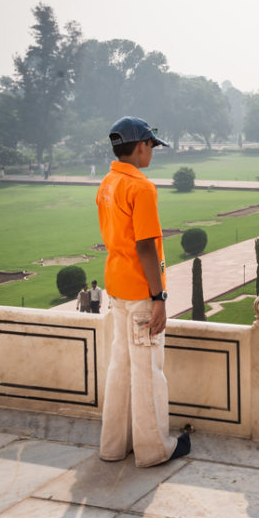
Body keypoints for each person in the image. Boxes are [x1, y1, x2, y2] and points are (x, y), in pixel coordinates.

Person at [96, 116, 190, 468]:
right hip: (139, 291)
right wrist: (158, 298)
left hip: (117, 287)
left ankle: (114, 445)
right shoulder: (141, 187)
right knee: (148, 370)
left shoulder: (108, 182)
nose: (153, 151)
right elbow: (146, 246)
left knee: (120, 367)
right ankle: (154, 450)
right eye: (151, 145)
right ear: (140, 146)